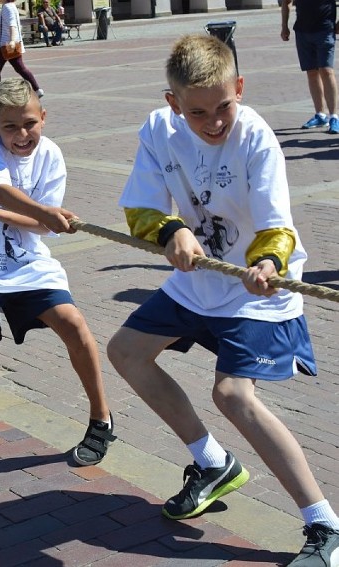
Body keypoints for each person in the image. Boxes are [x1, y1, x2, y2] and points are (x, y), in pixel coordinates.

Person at [107, 34, 339, 565]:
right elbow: (140, 206)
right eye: (197, 113)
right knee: (126, 352)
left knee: (233, 395)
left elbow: (277, 224)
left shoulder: (255, 135)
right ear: (173, 104)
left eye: (223, 107)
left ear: (240, 87)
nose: (214, 122)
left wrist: (268, 263)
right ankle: (212, 463)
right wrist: (169, 232)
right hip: (198, 280)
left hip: (258, 288)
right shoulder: (158, 129)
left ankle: (324, 525)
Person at [0, 77, 116, 500]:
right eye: (9, 127)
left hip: (29, 265)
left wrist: (0, 212)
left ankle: (102, 420)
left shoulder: (52, 155)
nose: (21, 136)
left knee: (73, 323)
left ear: (43, 117)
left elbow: (42, 227)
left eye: (29, 124)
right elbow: (2, 189)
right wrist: (11, 208)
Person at [281, 0, 339, 134]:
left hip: (325, 28)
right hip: (302, 30)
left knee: (326, 70)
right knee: (311, 72)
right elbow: (286, 2)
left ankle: (334, 117)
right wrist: (284, 26)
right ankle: (320, 115)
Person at [0, 0, 44, 99]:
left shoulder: (7, 7)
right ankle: (37, 89)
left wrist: (12, 41)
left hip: (4, 45)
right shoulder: (10, 6)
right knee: (20, 68)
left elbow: (12, 25)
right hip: (9, 44)